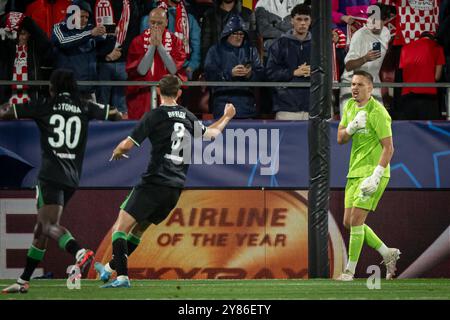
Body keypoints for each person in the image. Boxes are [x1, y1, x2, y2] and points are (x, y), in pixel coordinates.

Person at [95, 74, 236, 288]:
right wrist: (227, 116)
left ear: (159, 92)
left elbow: (127, 145)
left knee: (120, 229)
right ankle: (108, 269)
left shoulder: (156, 115)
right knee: (139, 229)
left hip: (154, 182)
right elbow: (213, 134)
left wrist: (117, 151)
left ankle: (122, 277)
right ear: (179, 93)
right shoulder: (188, 116)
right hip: (175, 188)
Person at [0, 69, 122, 293]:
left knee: (47, 225)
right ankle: (23, 281)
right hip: (72, 177)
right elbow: (114, 114)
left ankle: (79, 252)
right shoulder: (85, 106)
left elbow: (8, 111)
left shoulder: (45, 104)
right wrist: (116, 114)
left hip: (50, 176)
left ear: (52, 87)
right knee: (41, 230)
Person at [336, 70, 400, 281]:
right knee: (348, 221)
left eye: (360, 84)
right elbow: (340, 138)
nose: (354, 88)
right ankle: (386, 252)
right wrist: (352, 128)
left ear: (371, 88)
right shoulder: (349, 107)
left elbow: (389, 148)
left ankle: (349, 271)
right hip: (354, 171)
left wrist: (376, 176)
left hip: (373, 173)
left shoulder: (378, 112)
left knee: (355, 221)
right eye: (353, 84)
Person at [125, 7, 186, 120]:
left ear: (166, 22)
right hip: (143, 97)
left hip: (167, 95)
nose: (156, 26)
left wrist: (160, 47)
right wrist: (152, 46)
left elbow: (173, 70)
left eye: (160, 23)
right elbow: (141, 70)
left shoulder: (176, 41)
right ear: (148, 22)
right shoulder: (137, 41)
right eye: (153, 22)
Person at [204, 14, 264, 119]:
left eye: (241, 34)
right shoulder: (215, 51)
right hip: (222, 106)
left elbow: (261, 75)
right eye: (235, 34)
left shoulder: (251, 50)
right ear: (227, 34)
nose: (239, 37)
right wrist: (229, 73)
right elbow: (209, 75)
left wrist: (250, 74)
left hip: (247, 105)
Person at [338, 3, 391, 117]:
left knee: (378, 125)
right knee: (352, 127)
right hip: (352, 85)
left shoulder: (386, 33)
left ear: (385, 20)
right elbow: (348, 65)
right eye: (371, 19)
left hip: (372, 84)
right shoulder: (359, 36)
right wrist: (365, 58)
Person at [51, 0, 107, 100]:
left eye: (87, 17)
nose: (85, 20)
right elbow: (63, 42)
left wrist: (111, 37)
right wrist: (89, 34)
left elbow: (103, 50)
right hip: (66, 90)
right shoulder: (59, 28)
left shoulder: (91, 29)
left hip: (88, 90)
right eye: (81, 16)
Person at [265, 3, 311, 120]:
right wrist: (293, 72)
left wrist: (314, 72)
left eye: (306, 19)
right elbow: (270, 73)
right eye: (299, 19)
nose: (302, 23)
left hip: (313, 107)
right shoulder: (279, 44)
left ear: (311, 21)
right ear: (291, 21)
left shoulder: (318, 46)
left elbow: (328, 72)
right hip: (286, 107)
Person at [397, 31, 445, 120]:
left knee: (409, 129)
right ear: (433, 39)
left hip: (408, 95)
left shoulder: (405, 48)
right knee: (429, 131)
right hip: (428, 95)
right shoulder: (437, 47)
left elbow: (403, 71)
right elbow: (437, 76)